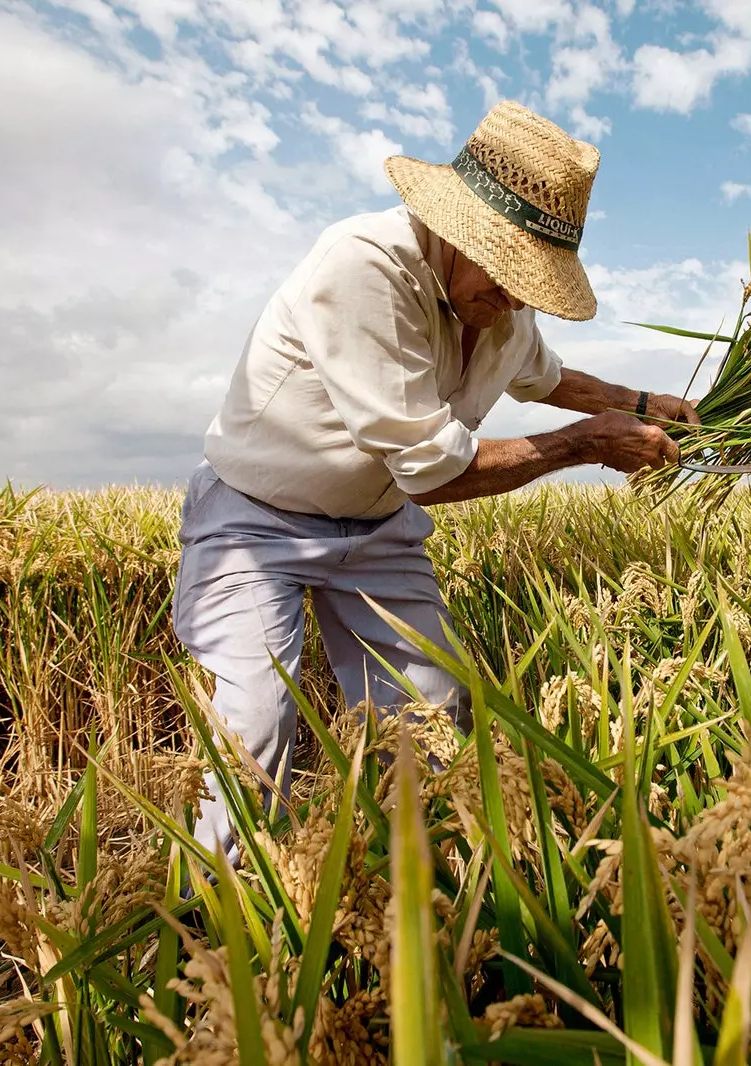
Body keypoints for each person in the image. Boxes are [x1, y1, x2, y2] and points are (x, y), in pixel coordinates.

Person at [172, 100, 699, 861]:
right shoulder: (362, 267)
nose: (516, 299)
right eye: (510, 273)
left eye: (531, 283)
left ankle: (403, 890)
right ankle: (215, 921)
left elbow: (548, 380)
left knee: (426, 713)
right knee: (257, 724)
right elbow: (433, 471)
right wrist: (584, 447)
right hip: (259, 521)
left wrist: (647, 405)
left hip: (378, 527)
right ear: (457, 230)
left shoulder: (500, 313)